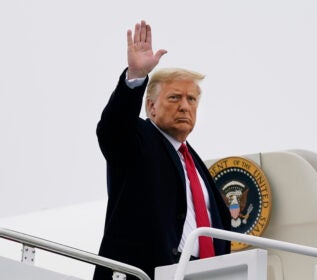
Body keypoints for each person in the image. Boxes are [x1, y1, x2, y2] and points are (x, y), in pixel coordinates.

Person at [93, 20, 231, 280]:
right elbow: (113, 130)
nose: (185, 106)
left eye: (191, 99)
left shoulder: (197, 167)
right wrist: (135, 78)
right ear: (151, 107)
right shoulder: (138, 140)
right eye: (174, 97)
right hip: (150, 272)